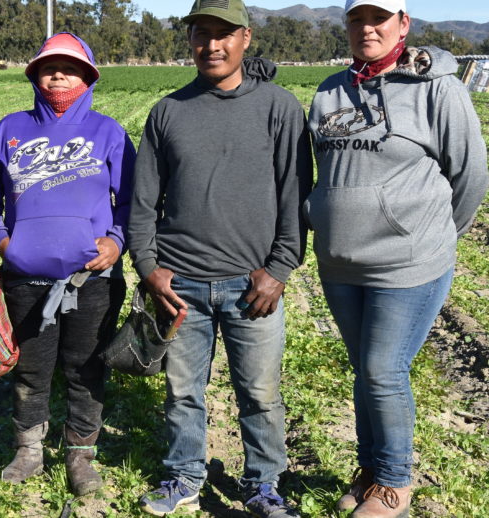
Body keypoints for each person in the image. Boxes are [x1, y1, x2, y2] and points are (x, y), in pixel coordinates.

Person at [126, 0, 313, 515]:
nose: (211, 45)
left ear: (245, 38)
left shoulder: (279, 107)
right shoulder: (168, 111)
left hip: (251, 288)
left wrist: (279, 269)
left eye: (223, 34)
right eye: (200, 34)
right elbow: (142, 203)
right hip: (180, 286)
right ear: (189, 41)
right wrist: (149, 268)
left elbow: (297, 197)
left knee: (260, 393)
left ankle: (263, 485)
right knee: (184, 392)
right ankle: (184, 477)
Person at [305, 1, 489, 516]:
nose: (367, 29)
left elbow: (470, 175)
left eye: (379, 19)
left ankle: (393, 483)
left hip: (407, 263)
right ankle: (369, 468)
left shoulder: (438, 90)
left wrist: (432, 237)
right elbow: (318, 167)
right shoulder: (329, 90)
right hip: (340, 263)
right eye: (357, 19)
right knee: (364, 369)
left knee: (384, 369)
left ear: (402, 25)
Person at [0, 32, 135, 496]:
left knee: (86, 368)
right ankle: (29, 450)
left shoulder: (109, 133)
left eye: (69, 67)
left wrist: (117, 242)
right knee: (31, 368)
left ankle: (81, 455)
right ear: (34, 76)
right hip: (27, 278)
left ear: (89, 75)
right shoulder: (9, 128)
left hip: (92, 281)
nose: (58, 74)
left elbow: (130, 202)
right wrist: (4, 243)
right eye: (48, 67)